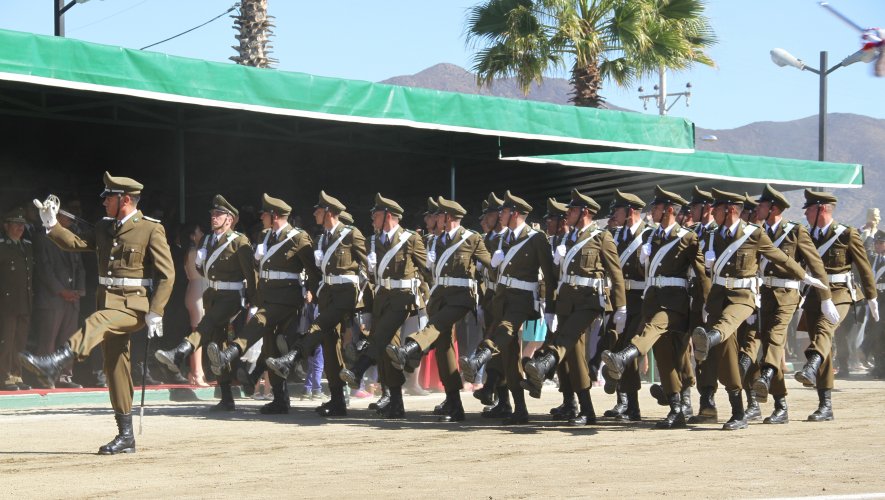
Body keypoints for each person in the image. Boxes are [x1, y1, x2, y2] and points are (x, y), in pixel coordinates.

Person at [20, 172, 174, 454]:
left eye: (109, 197)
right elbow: (77, 243)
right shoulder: (105, 227)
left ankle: (57, 360)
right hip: (109, 302)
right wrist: (51, 224)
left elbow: (167, 275)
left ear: (125, 199)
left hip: (134, 306)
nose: (103, 202)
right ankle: (125, 435)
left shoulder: (151, 229)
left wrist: (156, 311)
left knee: (97, 320)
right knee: (115, 366)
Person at [690, 188, 826, 430]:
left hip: (745, 298)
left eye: (717, 209)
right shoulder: (712, 235)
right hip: (719, 298)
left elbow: (779, 258)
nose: (712, 213)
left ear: (730, 209)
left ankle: (711, 338)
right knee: (727, 357)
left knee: (753, 337)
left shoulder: (754, 234)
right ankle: (739, 411)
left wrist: (805, 276)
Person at [602, 186, 707, 429]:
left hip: (675, 303)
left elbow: (701, 276)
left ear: (669, 210)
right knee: (664, 357)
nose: (653, 211)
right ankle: (676, 408)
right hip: (651, 300)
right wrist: (643, 261)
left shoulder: (687, 237)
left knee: (654, 337)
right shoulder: (650, 237)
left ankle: (624, 358)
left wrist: (705, 308)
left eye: (657, 207)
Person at [521, 189, 625, 425]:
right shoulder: (568, 239)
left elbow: (615, 274)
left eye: (573, 210)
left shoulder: (601, 237)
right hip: (567, 301)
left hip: (590, 301)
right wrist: (551, 308)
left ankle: (544, 363)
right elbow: (557, 278)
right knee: (574, 358)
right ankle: (584, 409)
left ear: (585, 213)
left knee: (565, 339)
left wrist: (620, 307)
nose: (568, 213)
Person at [386, 196, 491, 422]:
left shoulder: (472, 239)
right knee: (444, 351)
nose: (434, 219)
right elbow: (424, 272)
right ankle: (454, 403)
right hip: (439, 299)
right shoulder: (433, 241)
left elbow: (490, 267)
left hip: (462, 298)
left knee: (436, 326)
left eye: (439, 215)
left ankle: (411, 347)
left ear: (449, 218)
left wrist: (485, 300)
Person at [264, 191, 366, 417]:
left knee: (318, 327)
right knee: (330, 348)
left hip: (346, 295)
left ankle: (293, 357)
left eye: (318, 210)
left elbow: (367, 268)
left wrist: (361, 303)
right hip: (328, 295)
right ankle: (338, 400)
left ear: (329, 212)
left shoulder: (351, 234)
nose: (314, 213)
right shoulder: (323, 237)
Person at [459, 191, 557, 425]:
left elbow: (550, 276)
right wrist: (493, 267)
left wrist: (551, 308)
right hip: (501, 298)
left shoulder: (536, 238)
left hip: (523, 299)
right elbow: (497, 274)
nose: (500, 215)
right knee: (509, 357)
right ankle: (519, 408)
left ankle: (479, 359)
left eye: (504, 211)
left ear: (515, 214)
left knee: (503, 330)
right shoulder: (503, 239)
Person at [155, 195, 257, 411]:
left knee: (206, 324)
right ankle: (227, 397)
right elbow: (203, 270)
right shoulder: (209, 240)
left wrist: (254, 302)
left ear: (229, 219)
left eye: (218, 214)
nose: (213, 217)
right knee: (216, 347)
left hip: (232, 297)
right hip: (212, 295)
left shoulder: (239, 241)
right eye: (212, 214)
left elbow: (251, 274)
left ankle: (179, 352)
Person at [340, 193, 428, 418]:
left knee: (381, 339)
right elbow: (370, 279)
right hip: (381, 299)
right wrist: (367, 308)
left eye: (376, 215)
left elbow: (426, 271)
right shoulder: (374, 241)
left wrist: (427, 302)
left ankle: (359, 370)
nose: (372, 219)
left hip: (403, 300)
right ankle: (395, 401)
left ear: (388, 216)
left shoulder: (410, 239)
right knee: (388, 350)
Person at [749, 184, 832, 424]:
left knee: (775, 338)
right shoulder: (757, 231)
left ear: (773, 208)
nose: (758, 209)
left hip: (788, 294)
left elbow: (815, 264)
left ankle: (765, 375)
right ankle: (780, 405)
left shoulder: (795, 232)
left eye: (762, 205)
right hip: (764, 293)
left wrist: (825, 297)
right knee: (769, 344)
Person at [794, 189, 878, 421]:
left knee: (823, 331)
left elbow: (863, 267)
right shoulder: (806, 234)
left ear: (821, 208)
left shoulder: (846, 234)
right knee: (823, 347)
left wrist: (871, 298)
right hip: (814, 294)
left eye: (809, 209)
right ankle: (825, 404)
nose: (806, 214)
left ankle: (811, 365)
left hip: (841, 293)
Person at [600, 190, 652, 421]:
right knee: (616, 347)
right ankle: (624, 401)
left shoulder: (648, 235)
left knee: (628, 349)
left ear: (630, 211)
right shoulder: (616, 236)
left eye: (617, 211)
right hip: (621, 300)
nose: (614, 215)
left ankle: (633, 406)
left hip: (642, 299)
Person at [32, 206, 85, 389]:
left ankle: (65, 377)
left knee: (69, 339)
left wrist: (79, 291)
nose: (70, 220)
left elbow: (79, 267)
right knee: (48, 339)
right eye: (66, 216)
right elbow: (44, 270)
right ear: (56, 216)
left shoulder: (71, 237)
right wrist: (61, 291)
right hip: (52, 298)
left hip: (71, 298)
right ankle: (45, 376)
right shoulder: (42, 238)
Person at [0, 208, 34, 391]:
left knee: (20, 341)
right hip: (6, 302)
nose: (20, 228)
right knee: (6, 340)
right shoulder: (2, 246)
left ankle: (16, 374)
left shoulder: (26, 245)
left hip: (24, 301)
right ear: (6, 226)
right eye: (16, 224)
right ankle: (4, 376)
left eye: (22, 224)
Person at [182, 222, 209, 386]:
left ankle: (195, 372)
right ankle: (197, 372)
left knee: (196, 332)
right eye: (199, 230)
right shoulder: (196, 252)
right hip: (199, 289)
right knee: (198, 333)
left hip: (192, 288)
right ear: (193, 235)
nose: (202, 233)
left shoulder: (189, 252)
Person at [867, 230, 885, 379]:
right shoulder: (873, 260)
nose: (877, 245)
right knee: (875, 334)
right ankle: (879, 366)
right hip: (876, 299)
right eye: (876, 243)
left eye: (880, 243)